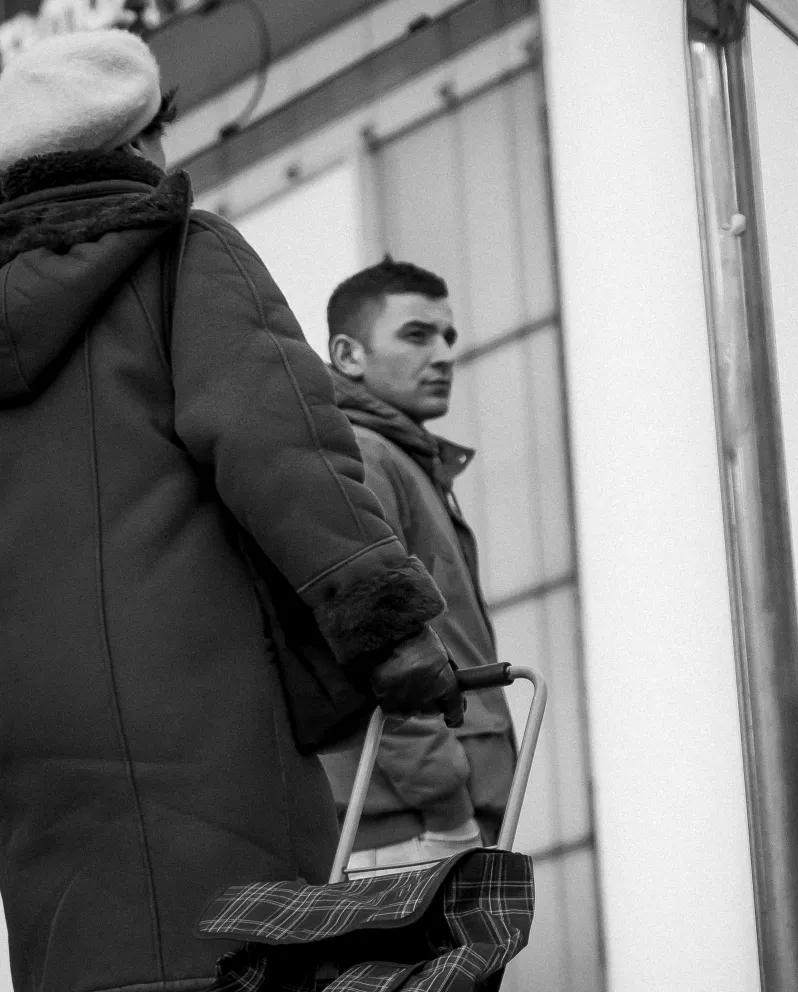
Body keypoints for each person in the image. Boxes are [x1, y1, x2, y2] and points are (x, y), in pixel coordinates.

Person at [0, 30, 464, 992]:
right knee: (247, 953)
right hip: (198, 709)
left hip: (31, 740)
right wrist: (390, 629)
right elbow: (282, 447)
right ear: (139, 143)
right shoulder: (184, 257)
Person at [319, 259, 516, 872]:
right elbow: (374, 639)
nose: (444, 353)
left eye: (448, 336)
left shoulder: (401, 460)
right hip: (411, 829)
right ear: (348, 355)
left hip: (430, 822)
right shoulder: (361, 453)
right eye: (416, 334)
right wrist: (446, 810)